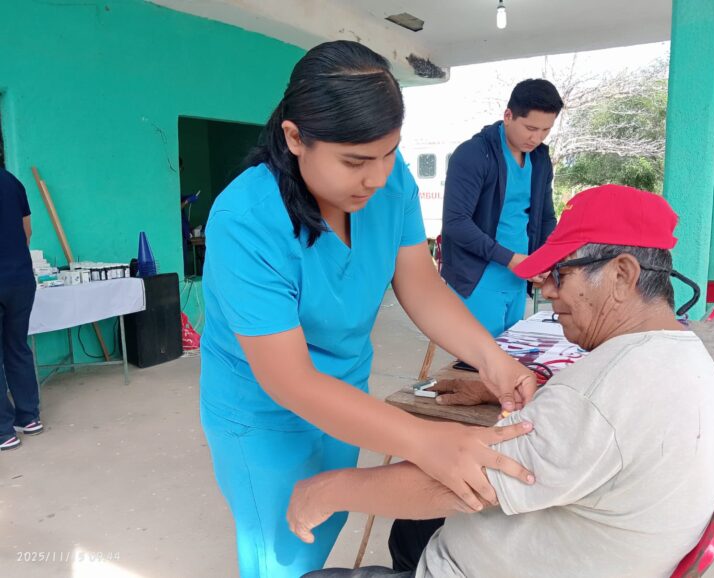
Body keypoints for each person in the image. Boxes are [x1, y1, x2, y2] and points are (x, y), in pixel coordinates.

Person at [200, 40, 539, 578]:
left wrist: (491, 359)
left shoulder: (389, 177)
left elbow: (420, 284)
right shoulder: (245, 220)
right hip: (265, 412)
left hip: (348, 394)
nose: (378, 178)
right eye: (355, 161)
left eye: (389, 153)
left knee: (323, 525)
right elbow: (290, 380)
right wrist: (424, 441)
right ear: (295, 138)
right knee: (282, 555)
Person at [289, 185, 714, 578]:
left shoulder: (596, 397)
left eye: (561, 274)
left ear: (622, 275)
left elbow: (463, 482)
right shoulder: (684, 357)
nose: (549, 291)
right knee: (410, 530)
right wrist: (502, 390)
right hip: (594, 550)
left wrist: (327, 491)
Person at [440, 79, 563, 338]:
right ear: (508, 116)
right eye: (530, 128)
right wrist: (510, 259)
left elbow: (546, 217)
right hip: (478, 278)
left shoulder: (540, 158)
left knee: (508, 352)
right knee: (479, 358)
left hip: (518, 278)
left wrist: (543, 259)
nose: (536, 138)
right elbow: (456, 223)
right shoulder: (473, 154)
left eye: (545, 130)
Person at [0, 168, 43, 451]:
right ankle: (29, 417)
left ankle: (3, 432)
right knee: (17, 346)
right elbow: (27, 231)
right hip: (20, 279)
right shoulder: (11, 182)